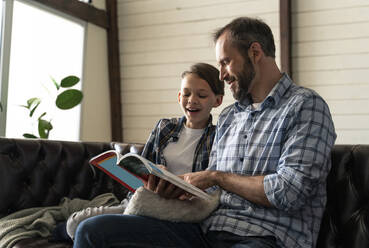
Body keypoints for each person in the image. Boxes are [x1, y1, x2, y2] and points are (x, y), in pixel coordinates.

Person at [72, 17, 336, 248]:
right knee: (92, 231)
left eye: (226, 62)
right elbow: (212, 194)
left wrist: (216, 177)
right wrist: (176, 189)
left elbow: (290, 191)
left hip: (267, 237)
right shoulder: (231, 116)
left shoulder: (305, 106)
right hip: (204, 231)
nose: (221, 75)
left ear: (255, 52)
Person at [63, 62, 224, 239]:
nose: (192, 100)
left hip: (181, 209)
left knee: (83, 227)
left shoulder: (217, 137)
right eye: (186, 93)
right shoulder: (164, 127)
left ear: (217, 100)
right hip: (147, 199)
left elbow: (211, 188)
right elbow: (141, 168)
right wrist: (151, 174)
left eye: (201, 95)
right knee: (74, 223)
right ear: (179, 97)